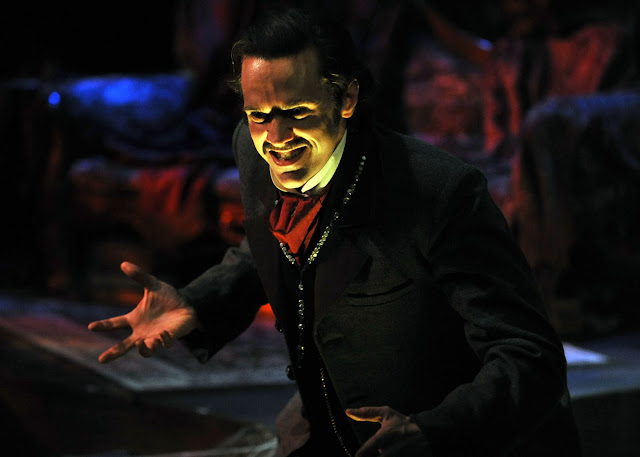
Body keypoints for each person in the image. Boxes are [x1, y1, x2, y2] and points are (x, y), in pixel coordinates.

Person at [89, 7, 582, 457]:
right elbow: (267, 247)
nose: (276, 139)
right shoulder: (252, 150)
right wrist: (196, 302)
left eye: (298, 113)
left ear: (346, 98)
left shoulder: (440, 193)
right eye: (259, 115)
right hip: (321, 424)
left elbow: (528, 355)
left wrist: (436, 430)